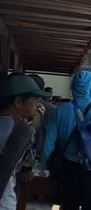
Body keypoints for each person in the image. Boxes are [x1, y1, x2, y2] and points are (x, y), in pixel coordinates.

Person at [42, 70, 91, 210]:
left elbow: (48, 144)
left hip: (67, 167)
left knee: (69, 205)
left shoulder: (59, 111)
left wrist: (46, 168)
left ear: (73, 87)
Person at [0, 75, 45, 210]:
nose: (38, 104)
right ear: (18, 102)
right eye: (35, 100)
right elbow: (4, 170)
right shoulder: (21, 129)